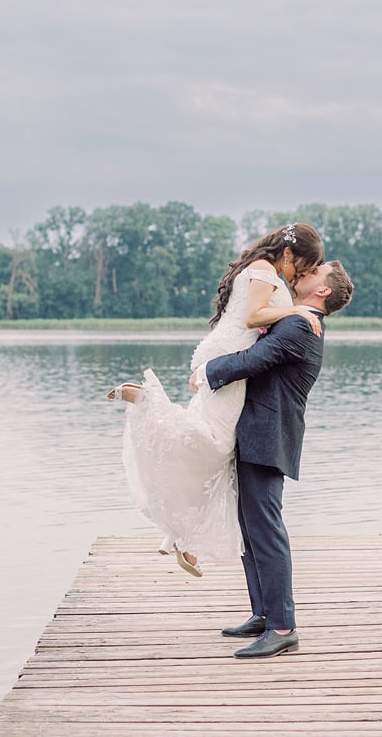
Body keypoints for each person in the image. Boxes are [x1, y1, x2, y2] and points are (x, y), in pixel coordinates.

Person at [106, 224, 325, 577]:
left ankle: (179, 537)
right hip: (228, 359)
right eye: (300, 265)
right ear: (287, 254)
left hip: (222, 356)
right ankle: (148, 400)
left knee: (211, 444)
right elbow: (253, 317)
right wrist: (297, 312)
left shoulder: (261, 269)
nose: (299, 273)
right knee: (215, 444)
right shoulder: (266, 272)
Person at [193, 260, 353, 658]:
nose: (308, 270)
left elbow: (256, 359)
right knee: (251, 528)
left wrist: (207, 370)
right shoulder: (296, 316)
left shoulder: (301, 325)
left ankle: (283, 626)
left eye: (318, 270)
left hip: (268, 436)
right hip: (255, 433)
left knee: (266, 530)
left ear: (324, 291)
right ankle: (263, 613)